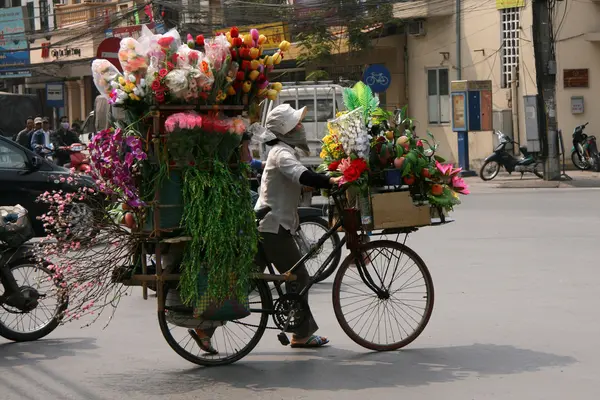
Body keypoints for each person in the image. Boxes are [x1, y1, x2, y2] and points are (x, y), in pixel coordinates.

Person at [252, 104, 341, 348]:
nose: (301, 127)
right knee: (299, 276)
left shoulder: (284, 151)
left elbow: (301, 177)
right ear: (286, 131)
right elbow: (300, 175)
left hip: (273, 223)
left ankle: (204, 326)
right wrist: (330, 181)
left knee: (245, 281)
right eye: (297, 124)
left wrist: (322, 178)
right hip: (273, 227)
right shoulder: (282, 153)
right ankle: (301, 335)